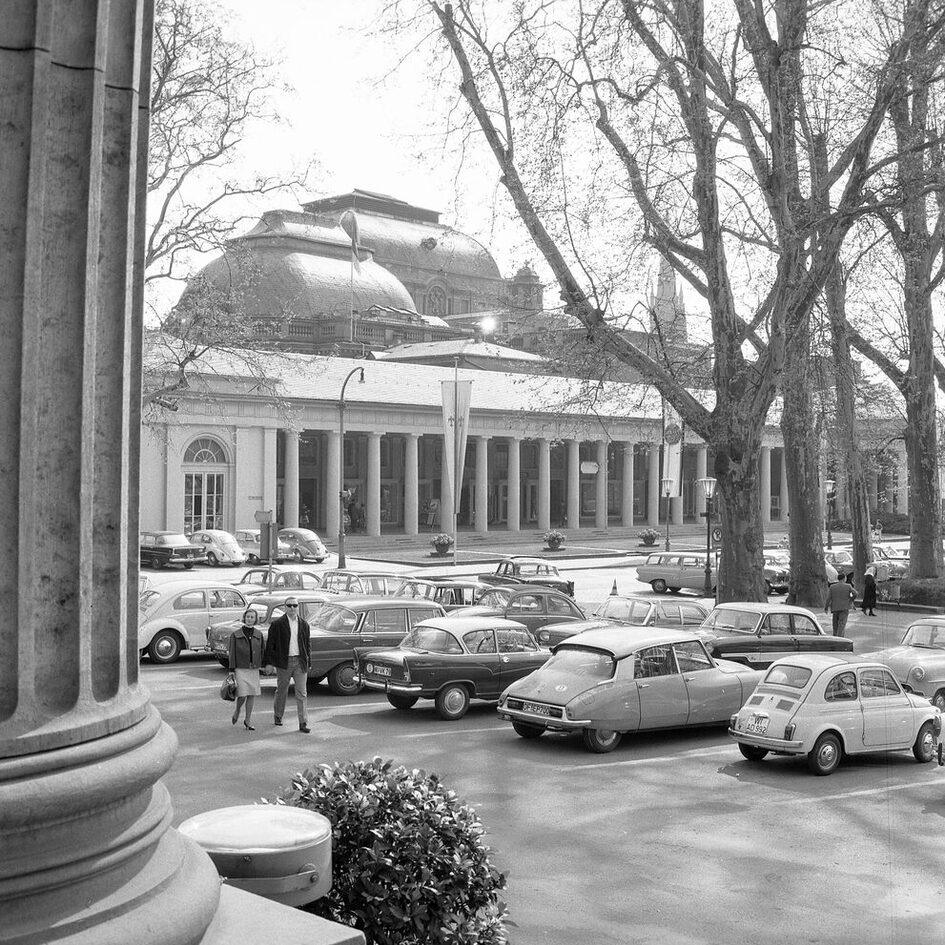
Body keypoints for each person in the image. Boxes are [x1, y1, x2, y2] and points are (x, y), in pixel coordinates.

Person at [263, 597, 311, 733]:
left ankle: (303, 722)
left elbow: (307, 645)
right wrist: (269, 663)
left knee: (302, 693)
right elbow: (270, 645)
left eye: (294, 605)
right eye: (289, 605)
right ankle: (278, 716)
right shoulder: (277, 624)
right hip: (284, 662)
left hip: (300, 662)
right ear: (285, 607)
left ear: (298, 607)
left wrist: (309, 662)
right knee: (282, 690)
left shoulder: (304, 624)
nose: (292, 608)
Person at [228, 608, 264, 731]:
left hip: (253, 669)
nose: (249, 619)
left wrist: (263, 665)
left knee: (252, 695)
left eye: (252, 617)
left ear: (255, 619)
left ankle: (248, 720)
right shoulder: (236, 634)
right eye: (247, 617)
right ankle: (237, 710)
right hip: (240, 669)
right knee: (242, 695)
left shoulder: (259, 635)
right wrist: (231, 670)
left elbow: (262, 651)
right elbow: (232, 653)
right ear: (244, 618)